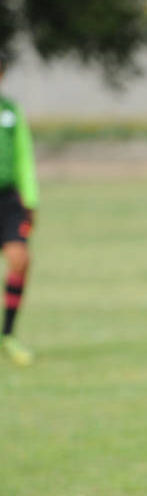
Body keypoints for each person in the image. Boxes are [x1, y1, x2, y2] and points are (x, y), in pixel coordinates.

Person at [0, 55, 38, 367]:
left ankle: (8, 334)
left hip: (8, 199)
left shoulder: (10, 112)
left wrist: (31, 199)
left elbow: (24, 156)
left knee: (20, 259)